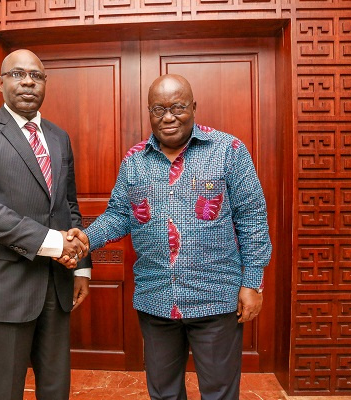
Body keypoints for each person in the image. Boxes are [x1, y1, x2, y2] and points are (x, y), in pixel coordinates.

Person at [71, 74, 272, 399]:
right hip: (156, 298)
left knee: (219, 392)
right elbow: (119, 215)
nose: (168, 117)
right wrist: (83, 239)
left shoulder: (229, 150)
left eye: (178, 107)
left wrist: (252, 282)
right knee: (164, 394)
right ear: (149, 112)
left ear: (193, 107)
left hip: (216, 297)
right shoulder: (134, 160)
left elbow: (253, 217)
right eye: (158, 109)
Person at [0, 49, 92, 400]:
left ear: (45, 83)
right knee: (3, 390)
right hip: (6, 285)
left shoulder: (59, 137)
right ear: (0, 82)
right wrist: (55, 243)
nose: (28, 81)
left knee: (56, 387)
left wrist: (82, 269)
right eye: (17, 74)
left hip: (57, 284)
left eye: (37, 75)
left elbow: (69, 205)